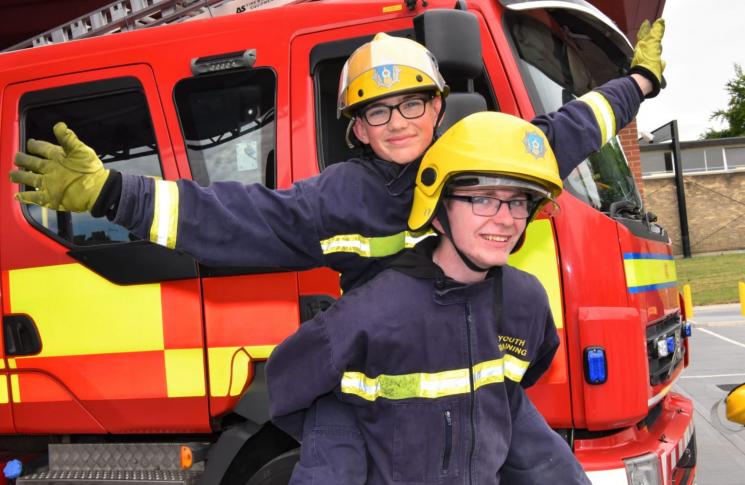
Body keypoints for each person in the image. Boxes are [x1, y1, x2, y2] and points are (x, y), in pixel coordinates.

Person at [10, 20, 664, 484]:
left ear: (439, 106)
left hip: (473, 372)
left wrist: (636, 81)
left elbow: (575, 126)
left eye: (412, 102)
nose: (398, 122)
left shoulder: (480, 159)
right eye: (376, 112)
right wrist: (112, 194)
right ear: (353, 128)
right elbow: (238, 216)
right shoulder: (340, 197)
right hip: (366, 381)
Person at [267, 111, 586, 484]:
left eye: (518, 202)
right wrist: (338, 455)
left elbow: (509, 399)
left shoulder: (524, 302)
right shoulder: (373, 312)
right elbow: (290, 386)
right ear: (437, 212)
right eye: (483, 198)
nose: (505, 220)